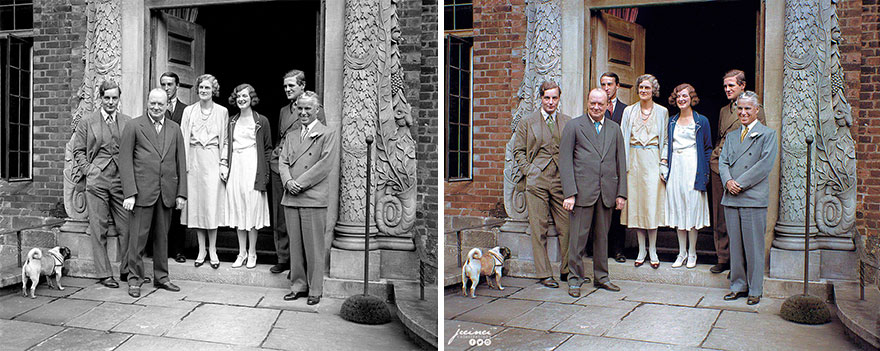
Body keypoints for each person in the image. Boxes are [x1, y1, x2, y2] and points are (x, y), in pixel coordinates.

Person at [119, 88, 187, 298]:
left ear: (167, 105)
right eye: (153, 103)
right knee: (137, 239)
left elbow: (180, 162)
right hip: (141, 193)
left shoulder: (175, 128)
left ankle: (162, 277)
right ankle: (134, 279)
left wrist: (181, 194)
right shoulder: (134, 126)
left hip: (166, 192)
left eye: (160, 104)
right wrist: (129, 193)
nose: (156, 107)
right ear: (147, 103)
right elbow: (125, 161)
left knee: (162, 239)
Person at [559, 88, 627, 297]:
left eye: (601, 104)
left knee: (602, 239)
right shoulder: (574, 126)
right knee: (578, 239)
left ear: (608, 105)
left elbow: (620, 161)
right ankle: (574, 279)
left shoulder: (615, 129)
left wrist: (621, 194)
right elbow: (565, 161)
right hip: (581, 192)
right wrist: (569, 192)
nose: (596, 107)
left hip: (607, 192)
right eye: (592, 103)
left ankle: (602, 277)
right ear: (587, 103)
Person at [71, 80, 132, 288]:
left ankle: (127, 271)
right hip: (97, 180)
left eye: (115, 98)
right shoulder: (88, 122)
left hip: (121, 181)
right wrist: (90, 170)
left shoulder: (127, 122)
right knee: (99, 228)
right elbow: (77, 151)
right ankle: (105, 274)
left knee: (127, 226)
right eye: (107, 97)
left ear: (119, 99)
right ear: (100, 98)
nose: (111, 102)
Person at [280, 91, 339, 305]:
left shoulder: (327, 133)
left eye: (308, 108)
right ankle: (298, 285)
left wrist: (300, 183)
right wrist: (288, 182)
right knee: (295, 246)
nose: (303, 112)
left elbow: (324, 165)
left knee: (314, 246)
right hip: (291, 197)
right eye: (300, 108)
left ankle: (315, 289)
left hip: (312, 196)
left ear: (317, 110)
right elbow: (283, 161)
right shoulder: (291, 135)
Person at [719, 91, 777, 305]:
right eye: (740, 109)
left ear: (756, 110)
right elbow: (723, 161)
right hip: (731, 197)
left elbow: (764, 166)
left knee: (753, 246)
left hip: (752, 196)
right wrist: (727, 182)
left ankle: (755, 289)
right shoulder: (733, 135)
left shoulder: (768, 135)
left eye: (747, 109)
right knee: (735, 245)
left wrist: (739, 183)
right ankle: (737, 285)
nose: (743, 112)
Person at [512, 81, 572, 288]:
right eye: (547, 97)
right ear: (540, 98)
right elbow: (517, 151)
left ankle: (567, 270)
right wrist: (530, 171)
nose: (551, 102)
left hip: (560, 180)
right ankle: (544, 273)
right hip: (537, 180)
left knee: (567, 226)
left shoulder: (567, 122)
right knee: (539, 228)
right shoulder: (528, 122)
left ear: (559, 99)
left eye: (554, 98)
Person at [710, 69, 766, 274]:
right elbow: (719, 137)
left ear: (743, 86)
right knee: (721, 216)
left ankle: (739, 264)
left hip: (740, 170)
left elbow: (759, 140)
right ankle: (722, 257)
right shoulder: (724, 110)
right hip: (719, 167)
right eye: (725, 86)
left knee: (741, 217)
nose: (727, 89)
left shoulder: (755, 108)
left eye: (731, 85)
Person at [620, 74, 668, 269]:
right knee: (638, 206)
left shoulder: (662, 111)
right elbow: (622, 138)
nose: (643, 91)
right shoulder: (629, 111)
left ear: (653, 90)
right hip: (634, 160)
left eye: (647, 88)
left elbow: (665, 138)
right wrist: (623, 166)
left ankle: (653, 249)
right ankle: (641, 249)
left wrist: (663, 162)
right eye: (640, 88)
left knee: (651, 205)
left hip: (653, 161)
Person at [180, 74, 228, 269]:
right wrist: (183, 166)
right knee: (198, 206)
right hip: (194, 159)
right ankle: (201, 249)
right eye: (201, 88)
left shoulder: (222, 111)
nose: (203, 91)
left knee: (211, 205)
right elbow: (182, 138)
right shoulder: (189, 111)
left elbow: (225, 139)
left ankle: (213, 249)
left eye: (207, 88)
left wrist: (223, 162)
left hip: (213, 160)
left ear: (213, 90)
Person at [663, 84, 712, 269]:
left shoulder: (702, 121)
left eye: (685, 96)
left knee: (692, 211)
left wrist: (704, 173)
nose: (681, 99)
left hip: (694, 167)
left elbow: (707, 148)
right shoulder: (671, 121)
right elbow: (667, 145)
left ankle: (692, 253)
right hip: (676, 167)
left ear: (692, 97)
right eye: (678, 97)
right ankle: (681, 252)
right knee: (679, 210)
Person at [224, 84, 272, 269]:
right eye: (238, 97)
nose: (241, 99)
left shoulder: (262, 121)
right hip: (236, 165)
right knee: (239, 209)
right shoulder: (231, 121)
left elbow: (267, 148)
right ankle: (241, 252)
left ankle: (252, 253)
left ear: (252, 97)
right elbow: (227, 144)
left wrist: (265, 173)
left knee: (252, 210)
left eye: (245, 96)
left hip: (254, 166)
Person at [269, 70, 305, 274]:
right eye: (285, 86)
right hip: (278, 165)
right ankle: (282, 257)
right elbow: (279, 138)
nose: (287, 89)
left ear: (302, 85)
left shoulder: (315, 108)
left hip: (298, 168)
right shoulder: (284, 110)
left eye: (291, 85)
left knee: (297, 217)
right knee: (280, 216)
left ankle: (297, 263)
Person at [600, 72, 628, 263]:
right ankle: (598, 249)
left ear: (617, 86)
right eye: (603, 84)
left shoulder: (627, 110)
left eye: (609, 84)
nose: (606, 88)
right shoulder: (595, 108)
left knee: (618, 208)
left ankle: (618, 250)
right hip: (599, 164)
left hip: (617, 163)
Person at [160, 71, 188, 264]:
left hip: (177, 163)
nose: (166, 88)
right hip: (160, 164)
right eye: (163, 84)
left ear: (177, 86)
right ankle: (160, 249)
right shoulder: (156, 108)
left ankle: (178, 250)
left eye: (170, 84)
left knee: (178, 208)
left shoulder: (187, 110)